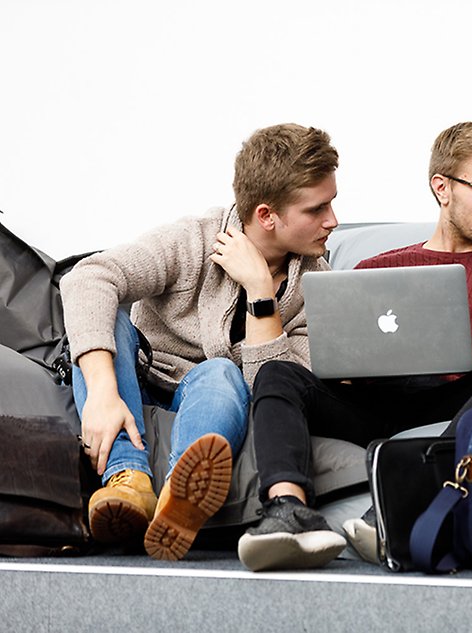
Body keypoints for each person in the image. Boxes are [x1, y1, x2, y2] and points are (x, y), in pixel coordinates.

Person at [238, 121, 472, 572]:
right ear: (442, 187)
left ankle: (414, 487)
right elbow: (338, 355)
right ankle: (287, 512)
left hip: (463, 405)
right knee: (277, 374)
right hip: (375, 400)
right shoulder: (375, 269)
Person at [61, 123, 340, 561]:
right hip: (144, 375)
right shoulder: (194, 240)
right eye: (317, 209)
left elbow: (275, 384)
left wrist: (261, 292)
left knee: (222, 372)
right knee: (108, 318)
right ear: (266, 215)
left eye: (332, 204)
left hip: (216, 393)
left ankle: (180, 496)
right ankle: (128, 481)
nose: (333, 221)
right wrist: (101, 390)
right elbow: (89, 277)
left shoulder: (318, 284)